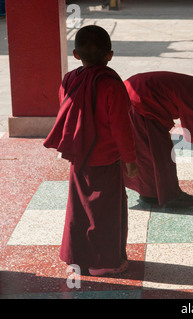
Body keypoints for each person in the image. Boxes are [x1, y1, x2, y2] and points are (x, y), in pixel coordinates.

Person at [44, 25, 137, 276]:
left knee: (80, 208)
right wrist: (130, 160)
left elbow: (67, 110)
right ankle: (103, 263)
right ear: (110, 54)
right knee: (104, 211)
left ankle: (78, 258)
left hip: (79, 155)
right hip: (105, 158)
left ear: (75, 54)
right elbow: (121, 127)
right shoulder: (112, 85)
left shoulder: (69, 78)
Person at [123, 68, 193, 208]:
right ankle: (165, 196)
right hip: (137, 104)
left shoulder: (189, 86)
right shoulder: (189, 92)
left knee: (153, 153)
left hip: (138, 100)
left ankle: (153, 194)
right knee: (156, 154)